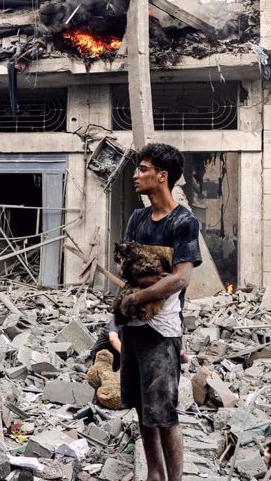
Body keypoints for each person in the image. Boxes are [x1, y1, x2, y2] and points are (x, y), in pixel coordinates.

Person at [117, 143, 202, 481]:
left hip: (162, 330)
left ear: (162, 176)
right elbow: (125, 267)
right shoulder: (137, 218)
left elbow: (180, 278)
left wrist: (138, 295)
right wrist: (154, 276)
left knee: (164, 413)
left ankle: (175, 479)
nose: (136, 175)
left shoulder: (183, 222)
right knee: (141, 405)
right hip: (132, 325)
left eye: (143, 169)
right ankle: (154, 473)